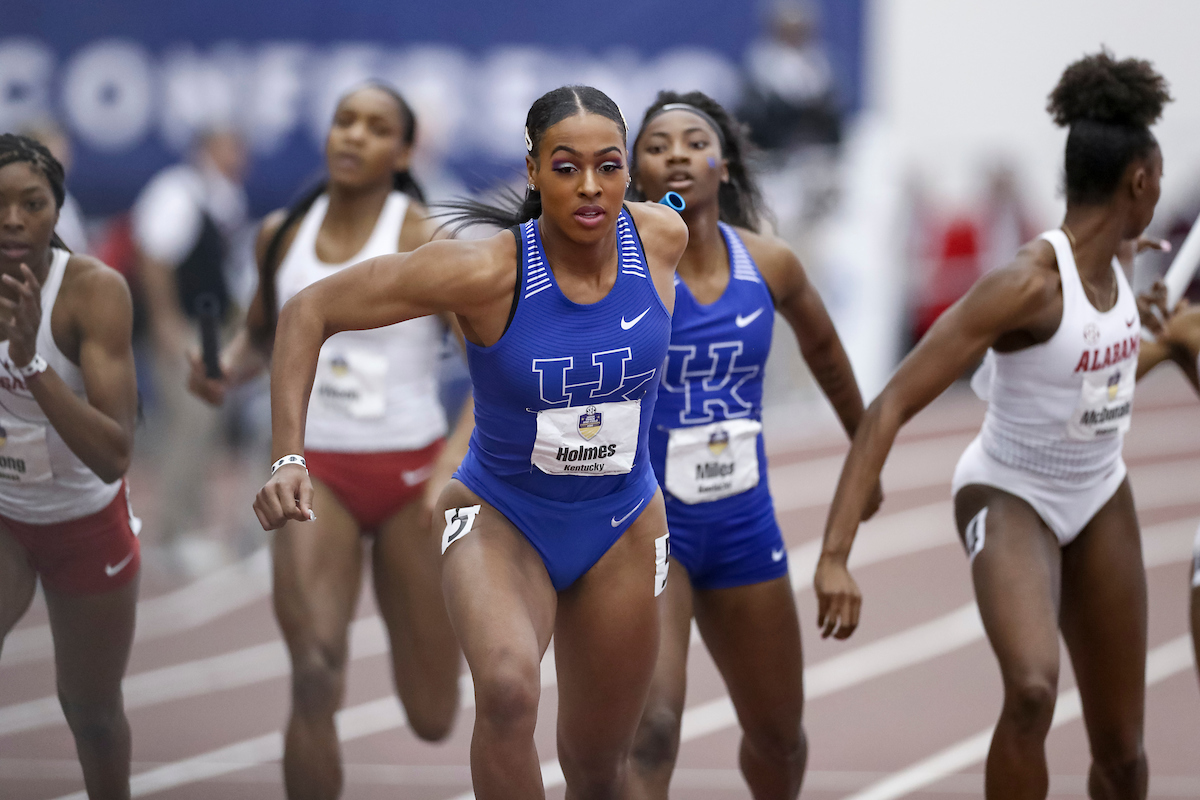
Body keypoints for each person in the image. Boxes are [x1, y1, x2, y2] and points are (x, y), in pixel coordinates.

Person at [254, 84, 688, 799]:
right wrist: (288, 456)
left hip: (622, 523)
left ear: (628, 174)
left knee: (599, 769)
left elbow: (697, 231)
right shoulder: (484, 272)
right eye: (565, 165)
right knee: (509, 690)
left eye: (608, 167)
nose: (589, 187)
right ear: (531, 170)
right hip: (502, 516)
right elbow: (308, 310)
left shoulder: (661, 239)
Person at [814, 51, 1172, 799]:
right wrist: (835, 555)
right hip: (1010, 491)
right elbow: (891, 405)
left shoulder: (1126, 262)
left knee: (1125, 755)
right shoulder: (1025, 287)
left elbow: (1098, 378)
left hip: (1100, 490)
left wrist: (1161, 339)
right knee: (1035, 690)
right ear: (1139, 183)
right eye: (1159, 181)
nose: (1161, 195)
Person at [187, 83, 463, 800]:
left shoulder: (423, 234)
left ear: (402, 152)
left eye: (376, 128)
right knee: (314, 673)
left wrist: (454, 463)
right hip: (318, 474)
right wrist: (223, 372)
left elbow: (491, 359)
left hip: (412, 477)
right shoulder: (279, 233)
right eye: (345, 121)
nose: (354, 136)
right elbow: (258, 338)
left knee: (435, 715)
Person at [624, 91, 878, 799]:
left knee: (779, 736)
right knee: (653, 728)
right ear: (635, 174)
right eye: (657, 144)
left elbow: (828, 354)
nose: (677, 152)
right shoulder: (617, 271)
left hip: (742, 522)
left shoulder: (769, 264)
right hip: (650, 527)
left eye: (695, 141)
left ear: (724, 166)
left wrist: (867, 454)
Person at [0, 134, 139, 799]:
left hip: (85, 518)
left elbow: (114, 454)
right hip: (5, 513)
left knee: (92, 712)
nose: (13, 221)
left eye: (32, 203)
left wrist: (31, 362)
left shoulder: (91, 291)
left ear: (58, 209)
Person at [131, 127, 249, 557]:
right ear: (206, 149)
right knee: (189, 424)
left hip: (214, 330)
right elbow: (153, 256)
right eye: (230, 146)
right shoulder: (177, 192)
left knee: (206, 426)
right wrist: (165, 321)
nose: (239, 155)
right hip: (185, 328)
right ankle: (174, 533)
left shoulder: (223, 197)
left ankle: (191, 526)